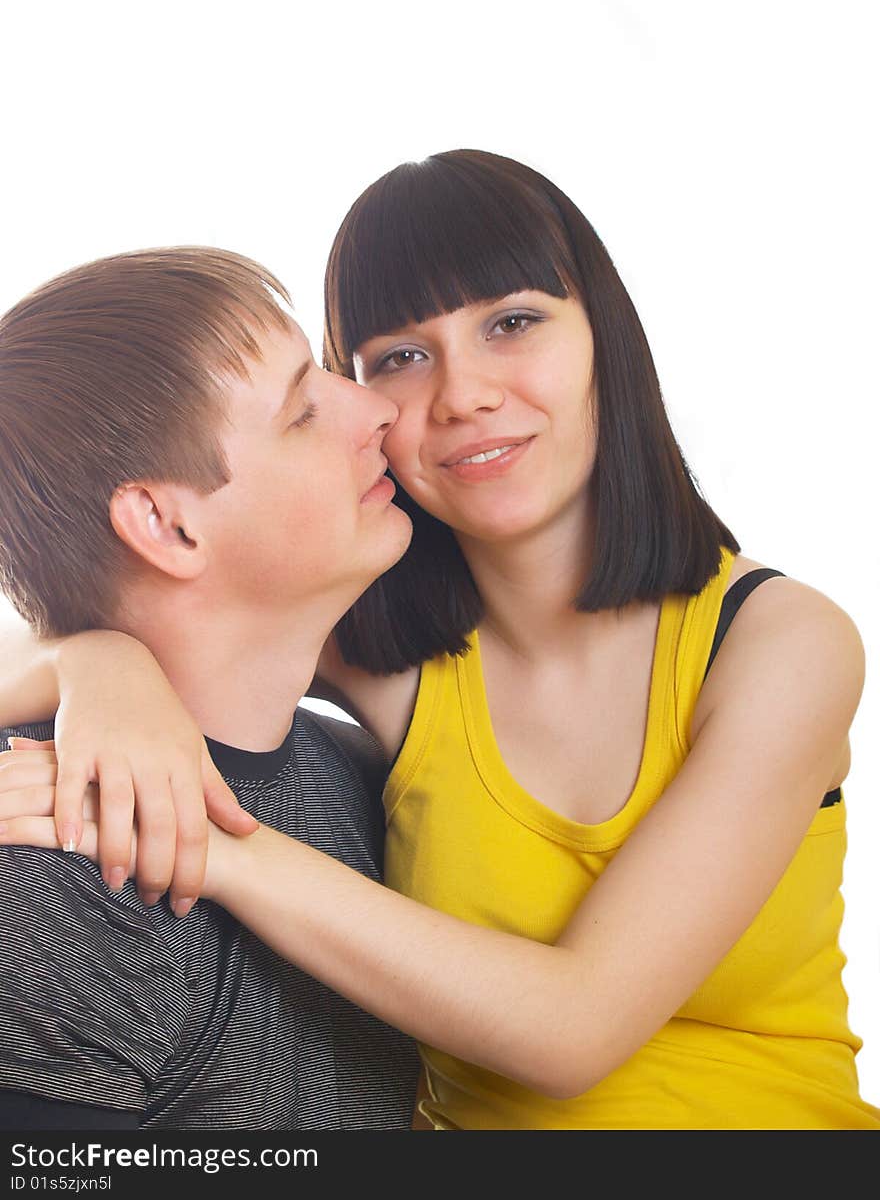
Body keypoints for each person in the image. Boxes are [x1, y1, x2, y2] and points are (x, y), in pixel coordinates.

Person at [1, 150, 878, 1130]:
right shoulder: (379, 653)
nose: (458, 395)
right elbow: (155, 609)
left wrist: (217, 849)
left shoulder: (780, 643)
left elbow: (575, 1025)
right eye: (398, 357)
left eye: (512, 323)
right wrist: (96, 664)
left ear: (604, 333)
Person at [0, 247, 421, 1129]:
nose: (380, 407)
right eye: (304, 410)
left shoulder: (357, 775)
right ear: (166, 524)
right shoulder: (47, 862)